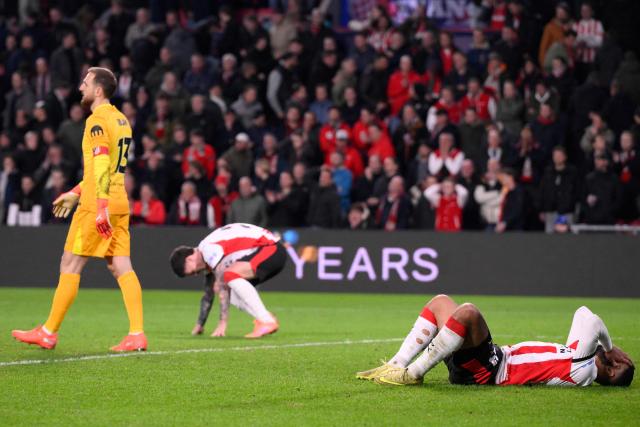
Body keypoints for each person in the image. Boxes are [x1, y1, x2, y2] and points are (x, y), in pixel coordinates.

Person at [12, 67, 146, 352]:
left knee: (70, 263)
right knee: (120, 265)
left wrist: (99, 208)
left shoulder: (96, 121)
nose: (81, 88)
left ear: (99, 90)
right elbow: (111, 170)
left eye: (85, 83)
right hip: (120, 201)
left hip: (99, 203)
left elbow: (100, 164)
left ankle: (48, 332)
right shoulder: (122, 120)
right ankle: (137, 333)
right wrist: (74, 192)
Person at [357, 294, 634, 387]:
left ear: (610, 370)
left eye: (618, 364)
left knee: (468, 312)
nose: (614, 358)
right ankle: (396, 364)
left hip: (490, 371)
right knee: (442, 302)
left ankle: (413, 374)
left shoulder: (583, 368)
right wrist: (606, 350)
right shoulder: (578, 356)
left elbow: (593, 322)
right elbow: (583, 312)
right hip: (489, 360)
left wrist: (610, 348)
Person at [170, 223, 285, 338]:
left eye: (192, 272)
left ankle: (267, 321)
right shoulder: (206, 254)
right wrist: (200, 324)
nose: (196, 274)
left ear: (189, 259)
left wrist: (222, 323)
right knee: (234, 296)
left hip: (271, 249)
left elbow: (222, 285)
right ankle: (266, 319)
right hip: (269, 251)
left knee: (229, 276)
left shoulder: (208, 250)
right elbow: (208, 293)